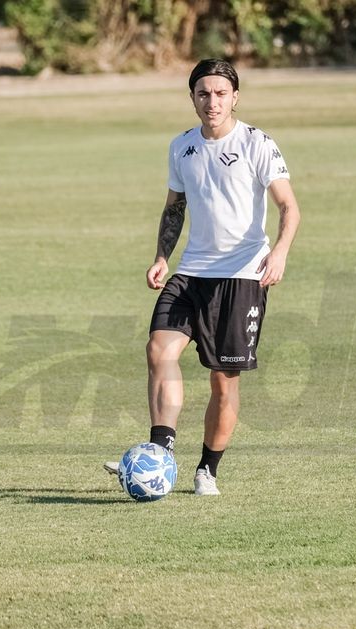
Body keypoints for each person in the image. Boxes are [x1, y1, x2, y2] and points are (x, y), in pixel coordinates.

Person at [105, 58, 301, 495]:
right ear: (192, 97)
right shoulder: (181, 147)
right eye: (203, 93)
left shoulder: (257, 143)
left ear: (234, 97)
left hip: (242, 274)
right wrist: (161, 255)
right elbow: (175, 207)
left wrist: (281, 253)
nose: (211, 101)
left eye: (220, 93)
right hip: (191, 271)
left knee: (222, 382)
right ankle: (161, 454)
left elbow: (290, 206)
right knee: (159, 350)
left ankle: (207, 470)